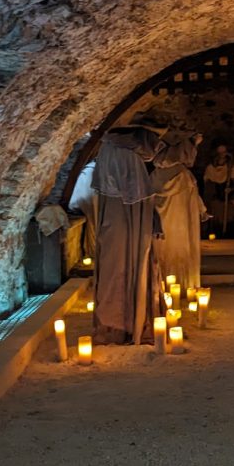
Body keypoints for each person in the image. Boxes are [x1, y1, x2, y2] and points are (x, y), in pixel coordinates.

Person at [91, 123, 165, 345]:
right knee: (123, 266)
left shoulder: (111, 151)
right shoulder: (124, 156)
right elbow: (136, 194)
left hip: (121, 221)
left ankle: (122, 321)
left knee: (120, 265)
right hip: (122, 222)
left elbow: (140, 196)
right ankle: (121, 323)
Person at [152, 129, 207, 293]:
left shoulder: (154, 176)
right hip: (182, 225)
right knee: (180, 249)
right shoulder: (184, 176)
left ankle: (161, 284)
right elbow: (193, 197)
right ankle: (183, 284)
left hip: (162, 225)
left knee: (163, 250)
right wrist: (201, 210)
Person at [202, 144, 234, 237]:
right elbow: (208, 185)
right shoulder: (210, 168)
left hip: (229, 198)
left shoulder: (232, 167)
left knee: (233, 208)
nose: (222, 155)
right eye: (219, 153)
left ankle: (231, 232)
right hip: (216, 197)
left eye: (224, 153)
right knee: (214, 206)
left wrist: (231, 189)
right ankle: (215, 231)